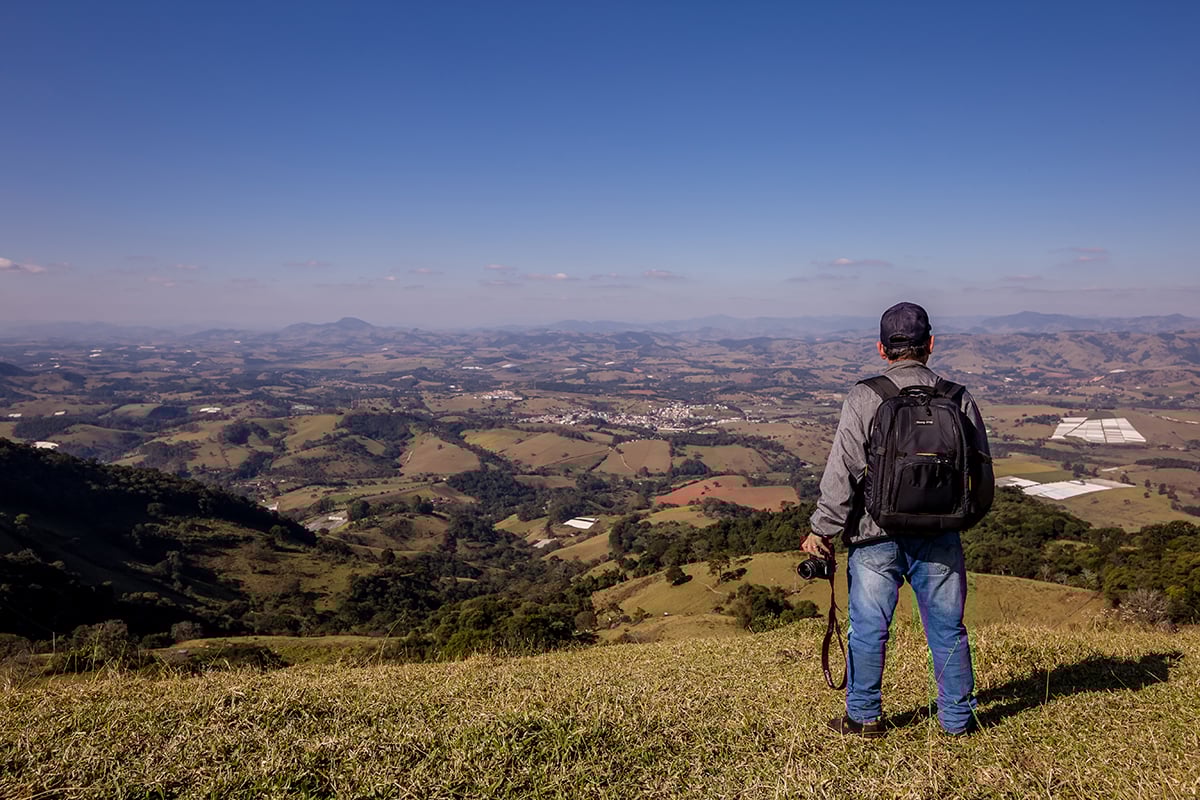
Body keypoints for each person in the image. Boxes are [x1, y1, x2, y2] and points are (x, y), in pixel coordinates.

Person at [801, 301, 990, 738]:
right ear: (930, 344)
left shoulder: (866, 396)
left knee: (869, 630)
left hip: (874, 534)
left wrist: (822, 530)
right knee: (947, 629)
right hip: (941, 534)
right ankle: (958, 722)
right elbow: (981, 470)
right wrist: (962, 519)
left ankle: (864, 718)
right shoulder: (958, 397)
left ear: (882, 348)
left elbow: (843, 469)